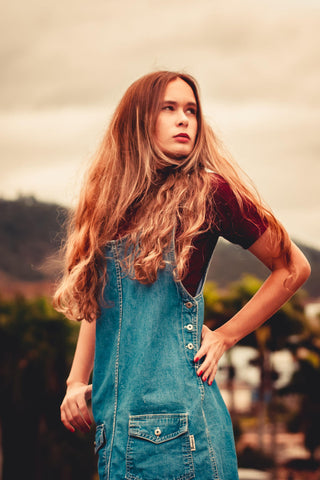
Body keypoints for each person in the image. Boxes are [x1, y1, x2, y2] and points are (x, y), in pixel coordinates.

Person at [54, 71, 311, 480]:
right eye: (169, 109)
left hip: (181, 437)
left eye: (191, 110)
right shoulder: (107, 206)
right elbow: (98, 303)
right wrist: (74, 383)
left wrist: (227, 334)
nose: (184, 119)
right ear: (138, 121)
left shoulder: (209, 193)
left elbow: (293, 267)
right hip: (115, 434)